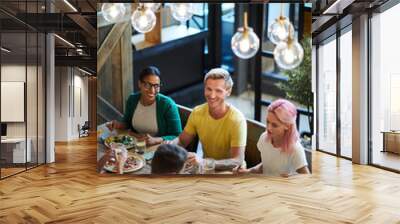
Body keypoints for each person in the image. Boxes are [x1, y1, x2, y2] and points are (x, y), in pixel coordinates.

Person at [166, 68, 247, 171]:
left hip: (231, 173)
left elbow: (237, 160)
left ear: (228, 91)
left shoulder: (237, 120)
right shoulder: (197, 112)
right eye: (209, 89)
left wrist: (205, 162)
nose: (212, 95)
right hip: (206, 169)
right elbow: (182, 141)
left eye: (218, 91)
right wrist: (170, 144)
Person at [107, 66, 182, 146]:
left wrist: (156, 140)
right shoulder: (132, 99)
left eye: (156, 86)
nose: (152, 90)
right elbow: (127, 123)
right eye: (147, 85)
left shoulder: (168, 105)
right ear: (139, 84)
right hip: (134, 145)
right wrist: (118, 125)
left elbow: (177, 135)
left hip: (158, 149)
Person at [233, 99, 309, 177]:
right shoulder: (263, 138)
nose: (268, 128)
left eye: (274, 125)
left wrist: (292, 178)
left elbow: (306, 178)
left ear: (287, 126)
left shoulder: (296, 149)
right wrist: (248, 171)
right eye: (267, 122)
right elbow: (266, 165)